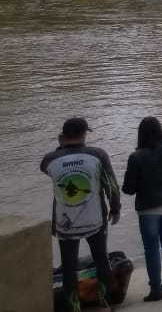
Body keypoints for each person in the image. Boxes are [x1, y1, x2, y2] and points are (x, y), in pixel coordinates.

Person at [42, 118, 121, 312]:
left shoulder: (50, 159)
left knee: (68, 268)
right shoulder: (98, 156)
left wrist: (60, 147)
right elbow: (111, 185)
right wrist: (115, 208)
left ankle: (74, 308)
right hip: (96, 220)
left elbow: (48, 168)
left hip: (65, 223)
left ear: (62, 136)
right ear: (84, 134)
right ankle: (104, 305)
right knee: (101, 260)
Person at [122, 116, 162, 302]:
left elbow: (129, 188)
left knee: (151, 248)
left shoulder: (136, 157)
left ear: (140, 134)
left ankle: (156, 290)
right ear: (160, 131)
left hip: (149, 208)